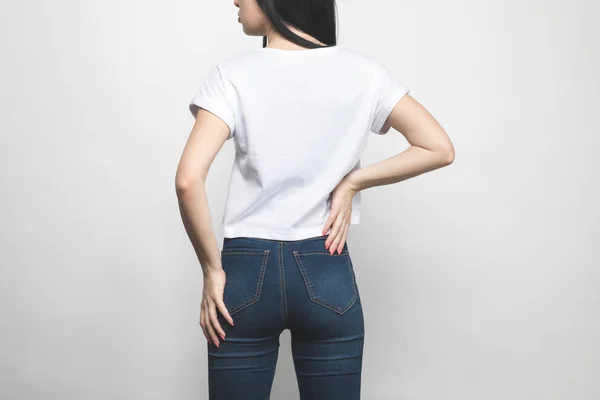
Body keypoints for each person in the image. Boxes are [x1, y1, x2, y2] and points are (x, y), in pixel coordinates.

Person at [175, 0, 455, 398]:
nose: (235, 1)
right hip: (326, 265)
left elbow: (188, 180)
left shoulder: (231, 75)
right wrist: (353, 182)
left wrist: (211, 270)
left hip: (244, 271)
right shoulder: (365, 73)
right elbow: (438, 147)